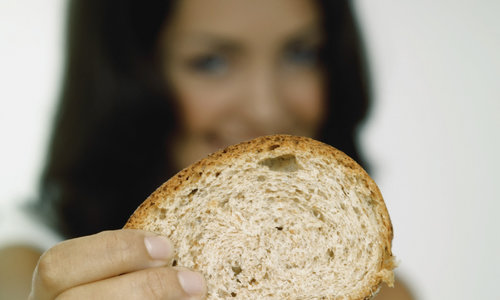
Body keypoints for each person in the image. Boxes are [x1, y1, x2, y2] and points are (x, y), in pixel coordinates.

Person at [0, 0, 414, 299]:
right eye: (211, 62)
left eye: (302, 53)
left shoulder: (381, 291)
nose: (266, 108)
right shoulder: (29, 278)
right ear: (127, 78)